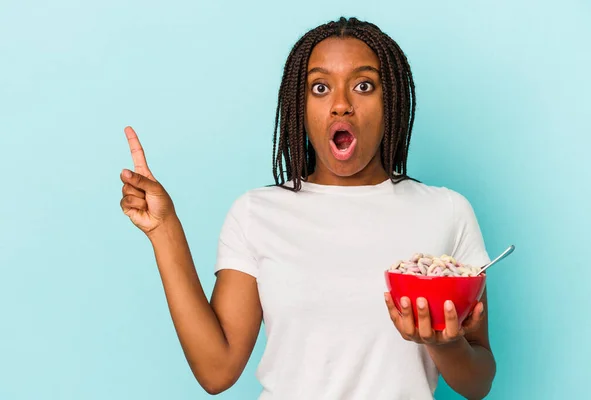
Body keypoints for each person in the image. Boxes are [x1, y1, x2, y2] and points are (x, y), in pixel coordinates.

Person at [119, 16, 496, 400]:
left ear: (392, 101)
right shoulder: (255, 214)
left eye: (364, 86)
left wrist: (444, 343)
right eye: (320, 87)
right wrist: (164, 231)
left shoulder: (446, 212)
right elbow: (217, 371)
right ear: (299, 107)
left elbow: (479, 382)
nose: (341, 105)